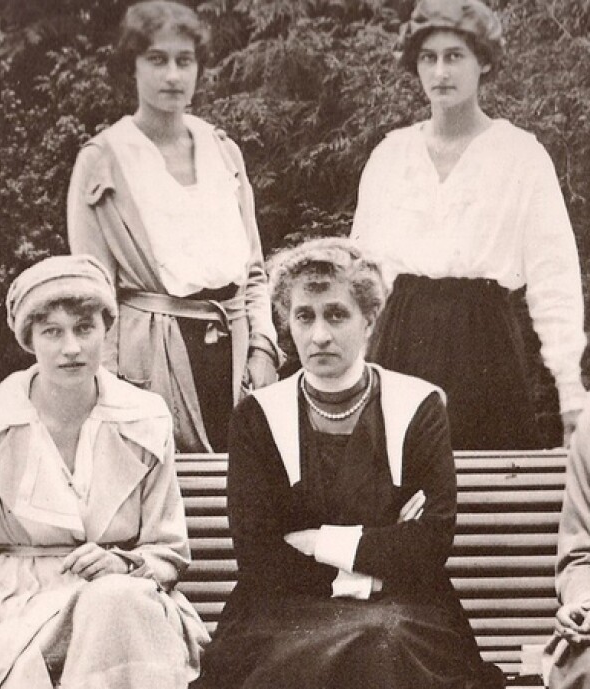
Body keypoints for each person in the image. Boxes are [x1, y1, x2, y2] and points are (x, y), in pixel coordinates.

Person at [0, 255, 208, 689]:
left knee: (115, 601)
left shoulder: (145, 417)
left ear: (105, 332)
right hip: (14, 619)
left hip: (127, 613)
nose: (70, 347)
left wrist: (123, 563)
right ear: (29, 340)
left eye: (84, 328)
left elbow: (168, 551)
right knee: (114, 608)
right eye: (52, 331)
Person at [194, 238, 503, 689]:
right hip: (281, 614)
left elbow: (428, 546)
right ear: (287, 321)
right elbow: (259, 555)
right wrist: (375, 559)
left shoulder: (418, 405)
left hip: (407, 613)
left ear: (369, 319)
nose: (320, 334)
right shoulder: (258, 416)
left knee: (385, 640)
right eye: (305, 316)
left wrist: (315, 539)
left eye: (336, 314)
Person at [351, 0, 586, 450]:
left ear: (484, 61)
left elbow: (554, 279)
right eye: (429, 58)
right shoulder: (390, 156)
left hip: (486, 345)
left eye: (455, 56)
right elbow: (362, 281)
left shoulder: (521, 155)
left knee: (492, 495)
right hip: (403, 341)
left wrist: (570, 391)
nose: (441, 71)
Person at [67, 0, 280, 453]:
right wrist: (106, 399)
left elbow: (255, 272)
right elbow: (93, 296)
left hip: (236, 352)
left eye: (184, 61)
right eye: (157, 60)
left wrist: (262, 347)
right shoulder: (103, 160)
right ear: (133, 66)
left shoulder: (223, 151)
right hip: (152, 361)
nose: (172, 76)